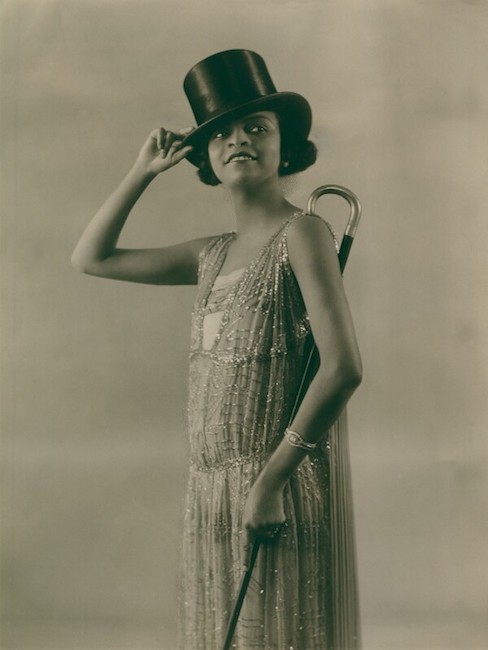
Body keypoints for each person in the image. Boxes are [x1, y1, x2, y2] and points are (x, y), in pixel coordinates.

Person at [72, 50, 362, 650]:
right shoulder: (210, 255)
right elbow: (91, 258)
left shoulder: (304, 233)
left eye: (257, 127)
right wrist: (142, 171)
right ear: (203, 157)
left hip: (273, 485)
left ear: (288, 146)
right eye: (222, 133)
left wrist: (270, 482)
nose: (239, 141)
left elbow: (341, 368)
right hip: (209, 493)